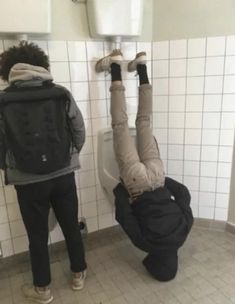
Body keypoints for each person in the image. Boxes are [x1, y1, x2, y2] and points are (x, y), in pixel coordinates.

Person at [95, 50, 194, 281]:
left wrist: (163, 182)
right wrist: (121, 189)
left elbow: (184, 195)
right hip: (136, 184)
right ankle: (116, 67)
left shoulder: (183, 233)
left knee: (145, 122)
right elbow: (124, 214)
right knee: (120, 124)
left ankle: (141, 67)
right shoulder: (145, 243)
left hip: (158, 176)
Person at [0, 42, 87, 304]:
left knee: (37, 236)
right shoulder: (61, 94)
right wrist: (68, 158)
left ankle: (43, 290)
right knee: (71, 226)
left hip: (28, 181)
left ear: (8, 70)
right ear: (42, 65)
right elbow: (79, 131)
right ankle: (78, 275)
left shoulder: (2, 100)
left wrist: (11, 167)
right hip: (63, 174)